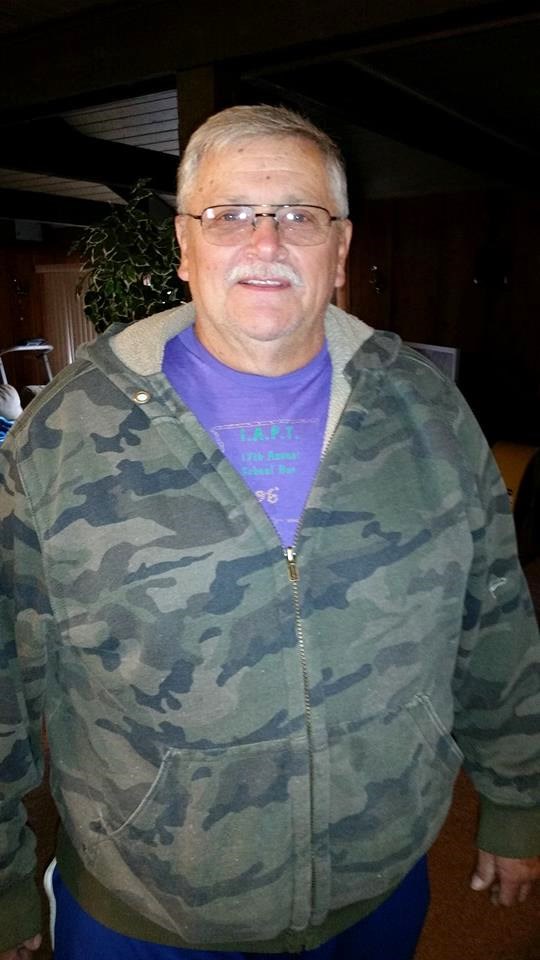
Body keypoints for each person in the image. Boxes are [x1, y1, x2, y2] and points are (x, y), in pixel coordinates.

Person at [0, 105, 539, 960]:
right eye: (229, 215)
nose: (265, 242)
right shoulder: (61, 436)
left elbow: (497, 619)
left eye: (297, 214)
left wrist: (516, 799)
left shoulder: (429, 411)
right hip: (146, 916)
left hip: (377, 890)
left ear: (341, 248)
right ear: (184, 245)